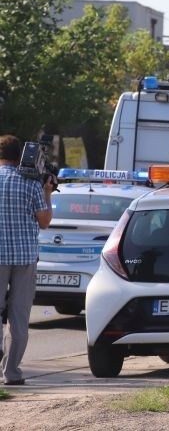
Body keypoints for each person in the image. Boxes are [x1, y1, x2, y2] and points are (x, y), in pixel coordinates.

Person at [0, 135, 53, 386]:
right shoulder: (30, 182)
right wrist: (47, 192)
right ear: (20, 154)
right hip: (24, 257)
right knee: (19, 316)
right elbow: (44, 221)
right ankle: (11, 373)